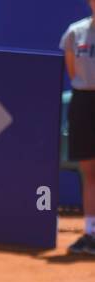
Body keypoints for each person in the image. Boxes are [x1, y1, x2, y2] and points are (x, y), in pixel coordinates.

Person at [63, 2, 95, 254]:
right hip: (84, 102)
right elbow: (73, 70)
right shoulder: (75, 32)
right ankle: (91, 233)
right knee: (89, 172)